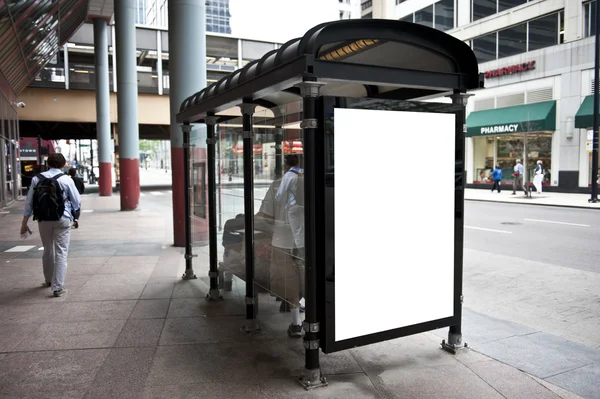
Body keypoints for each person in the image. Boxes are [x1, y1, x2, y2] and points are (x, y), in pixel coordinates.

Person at [20, 153, 81, 297]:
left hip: (43, 219)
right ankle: (57, 287)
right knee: (61, 252)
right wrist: (75, 214)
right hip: (62, 218)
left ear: (48, 164)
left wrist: (24, 223)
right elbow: (76, 201)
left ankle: (48, 280)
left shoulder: (37, 178)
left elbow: (29, 203)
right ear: (63, 164)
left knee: (47, 249)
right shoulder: (66, 179)